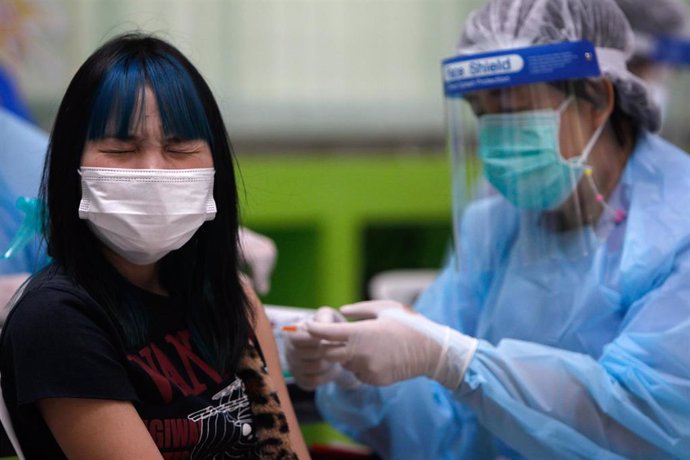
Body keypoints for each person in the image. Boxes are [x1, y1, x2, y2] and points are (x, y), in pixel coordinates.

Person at [284, 0, 690, 458]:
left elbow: (649, 420)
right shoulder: (494, 228)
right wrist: (351, 371)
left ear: (597, 99)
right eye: (482, 115)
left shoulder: (679, 228)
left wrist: (455, 360)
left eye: (515, 111)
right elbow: (441, 431)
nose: (498, 138)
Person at [0, 33, 309, 459]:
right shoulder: (57, 321)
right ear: (73, 166)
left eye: (179, 147)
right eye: (120, 148)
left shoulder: (231, 298)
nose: (152, 171)